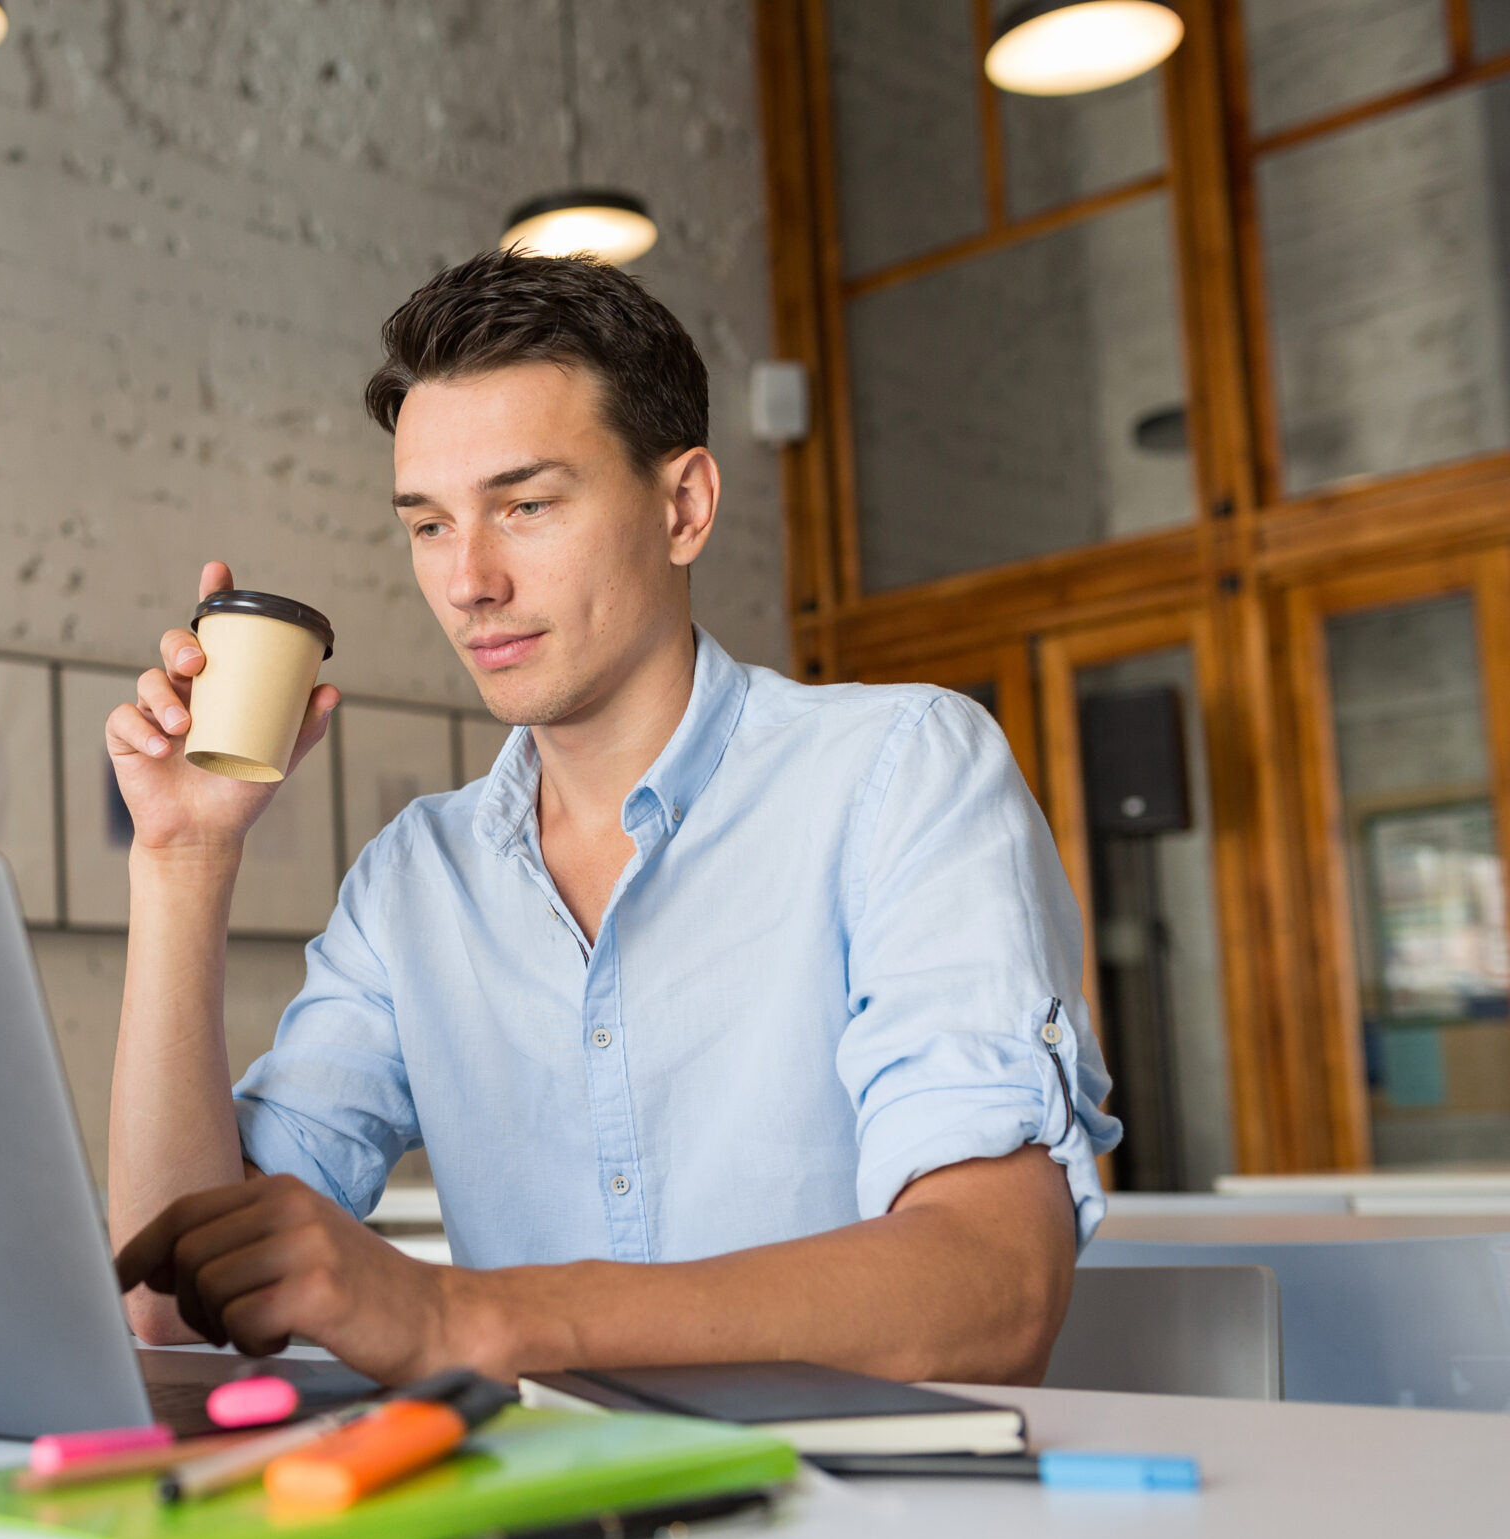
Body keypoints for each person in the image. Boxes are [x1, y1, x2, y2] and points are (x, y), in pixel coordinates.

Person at [103, 249, 1120, 1387]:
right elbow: (171, 1304)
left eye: (525, 506)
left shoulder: (900, 772)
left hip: (855, 1532)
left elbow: (993, 1290)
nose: (467, 580)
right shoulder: (414, 882)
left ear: (682, 506)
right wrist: (183, 857)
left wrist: (470, 1319)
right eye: (428, 525)